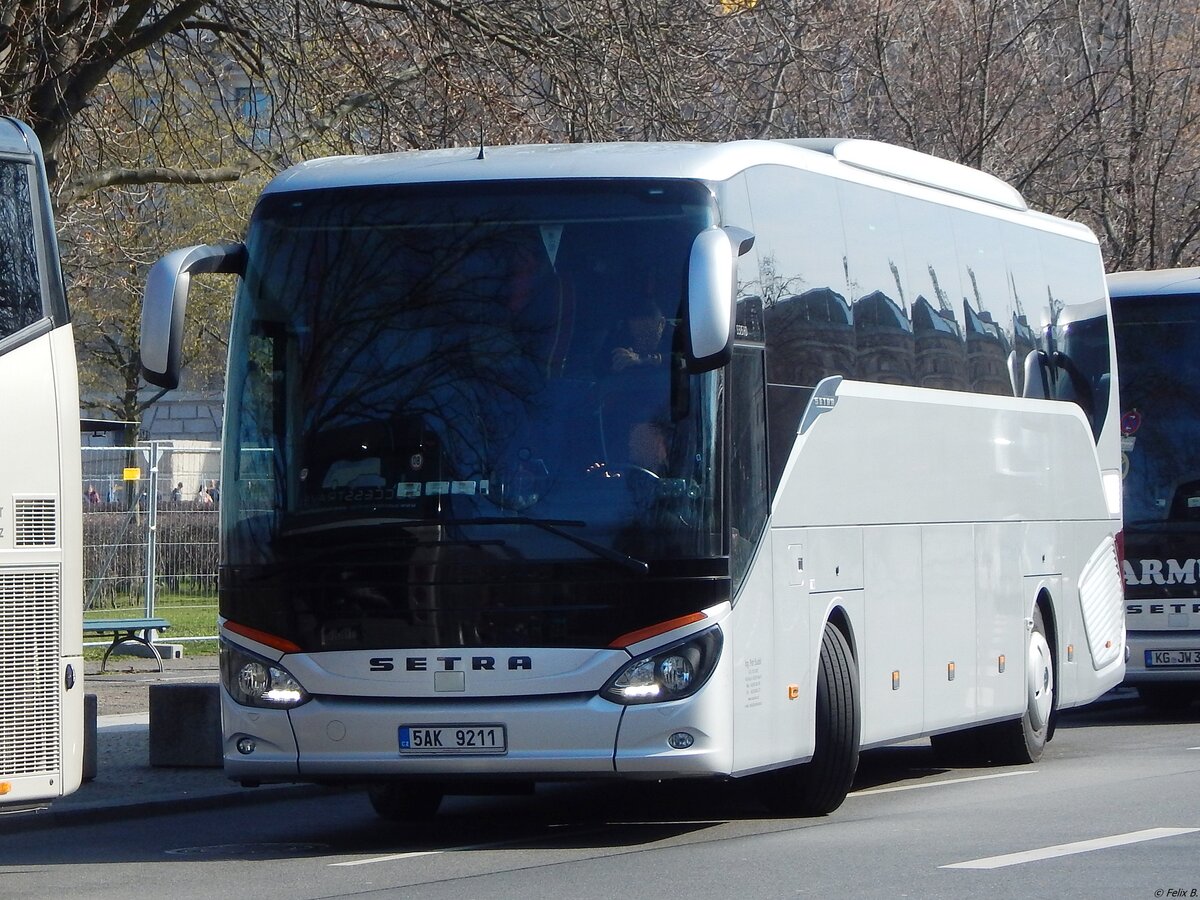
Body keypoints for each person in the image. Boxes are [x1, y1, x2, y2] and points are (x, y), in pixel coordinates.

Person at [598, 293, 669, 374]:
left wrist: (644, 360)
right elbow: (599, 370)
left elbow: (683, 359)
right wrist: (616, 367)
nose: (644, 341)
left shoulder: (676, 339)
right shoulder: (620, 343)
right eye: (638, 336)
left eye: (649, 333)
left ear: (662, 324)